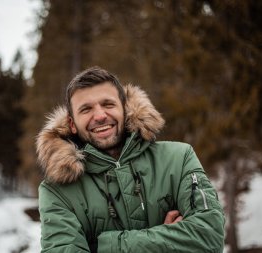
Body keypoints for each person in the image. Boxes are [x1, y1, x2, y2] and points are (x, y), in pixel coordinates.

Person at [36, 66, 225, 252]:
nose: (100, 116)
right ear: (72, 124)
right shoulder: (57, 191)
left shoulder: (179, 158)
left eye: (108, 104)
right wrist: (169, 241)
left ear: (125, 108)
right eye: (86, 109)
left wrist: (104, 247)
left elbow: (210, 235)